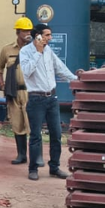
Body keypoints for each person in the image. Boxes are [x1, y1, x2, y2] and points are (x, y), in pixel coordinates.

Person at [19, 23, 82, 181]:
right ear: (37, 36)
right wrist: (38, 53)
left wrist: (76, 80)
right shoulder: (25, 52)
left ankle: (54, 167)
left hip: (51, 99)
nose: (50, 38)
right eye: (47, 35)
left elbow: (60, 68)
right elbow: (27, 71)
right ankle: (33, 169)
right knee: (35, 136)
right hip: (36, 98)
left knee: (56, 134)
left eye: (50, 35)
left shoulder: (49, 51)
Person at [0, 17, 34, 165]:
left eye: (29, 30)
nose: (28, 33)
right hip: (14, 92)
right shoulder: (7, 49)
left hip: (31, 92)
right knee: (17, 124)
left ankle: (37, 157)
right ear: (18, 32)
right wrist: (2, 85)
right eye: (24, 30)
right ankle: (21, 155)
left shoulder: (35, 48)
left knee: (32, 124)